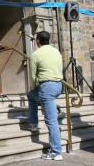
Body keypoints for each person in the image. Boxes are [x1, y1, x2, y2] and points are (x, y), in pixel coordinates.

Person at [26, 31, 63, 161]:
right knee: (31, 96)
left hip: (46, 87)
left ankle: (56, 151)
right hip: (58, 85)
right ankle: (34, 123)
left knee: (51, 120)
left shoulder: (36, 54)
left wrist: (35, 85)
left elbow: (32, 76)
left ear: (37, 41)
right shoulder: (56, 51)